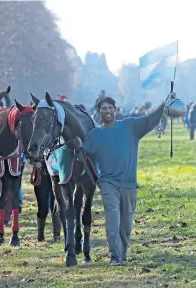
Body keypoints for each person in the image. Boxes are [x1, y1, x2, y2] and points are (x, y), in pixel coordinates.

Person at [74, 92, 173, 266]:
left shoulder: (130, 126)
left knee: (126, 226)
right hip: (108, 183)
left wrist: (165, 103)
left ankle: (122, 252)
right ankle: (115, 257)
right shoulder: (94, 134)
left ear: (115, 110)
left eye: (110, 108)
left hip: (129, 184)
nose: (107, 111)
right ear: (99, 112)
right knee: (112, 219)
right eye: (104, 108)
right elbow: (83, 154)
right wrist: (77, 146)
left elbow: (150, 119)